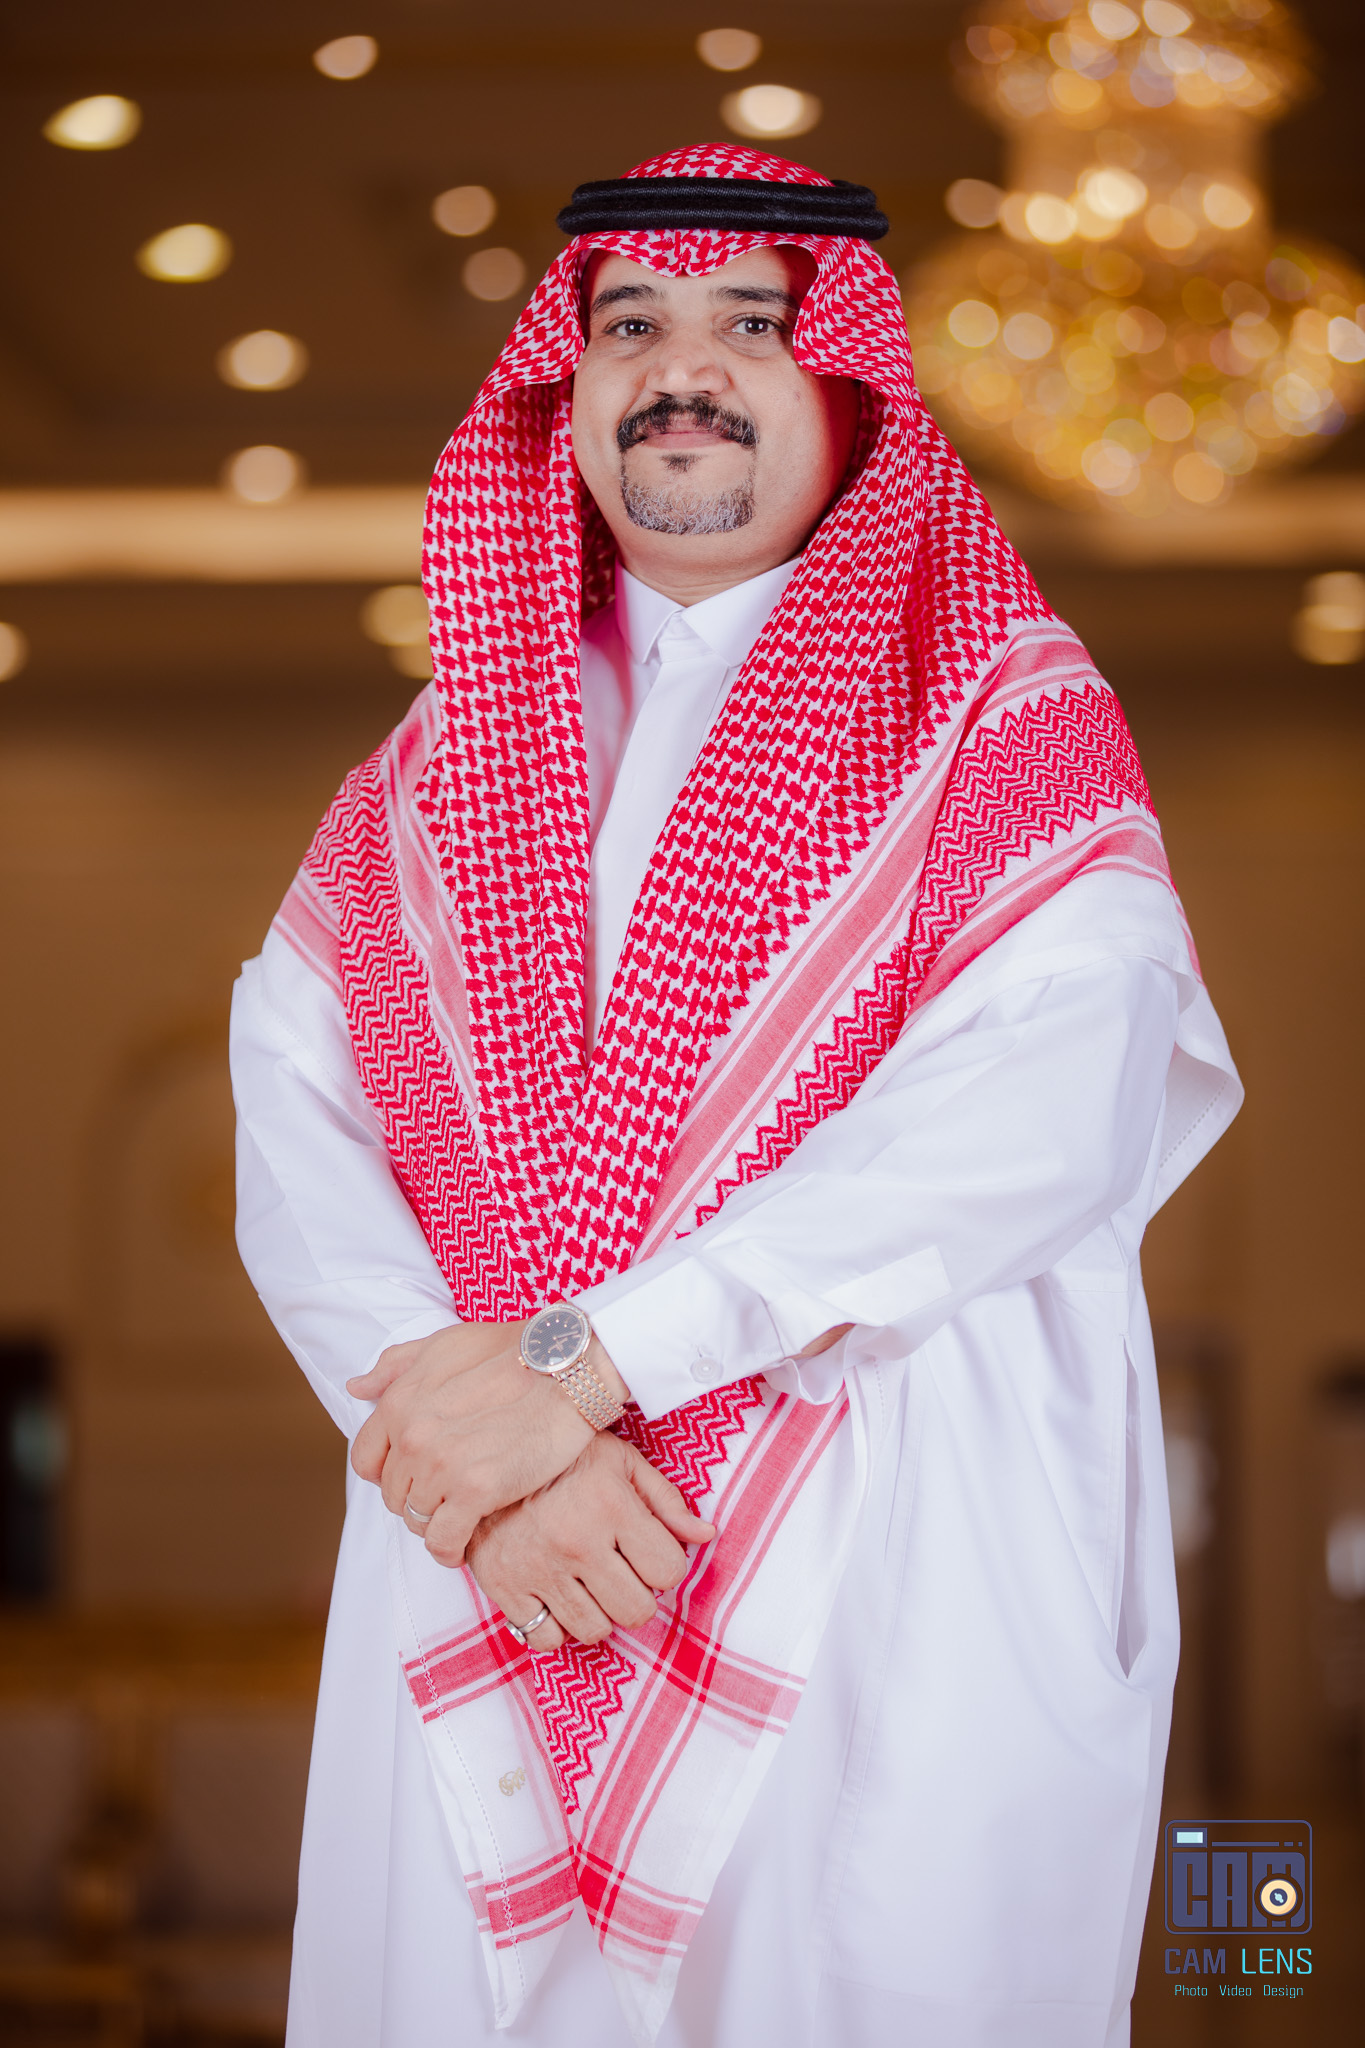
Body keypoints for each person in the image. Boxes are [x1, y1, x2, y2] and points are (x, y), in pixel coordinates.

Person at [231, 144, 1241, 2048]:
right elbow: (298, 1121)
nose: (679, 368)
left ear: (845, 385)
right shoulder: (430, 765)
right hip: (482, 1562)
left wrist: (579, 1369)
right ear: (565, 388)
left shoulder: (1003, 715)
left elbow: (1034, 1113)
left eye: (749, 327)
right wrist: (474, 1451)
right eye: (628, 327)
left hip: (876, 1549)